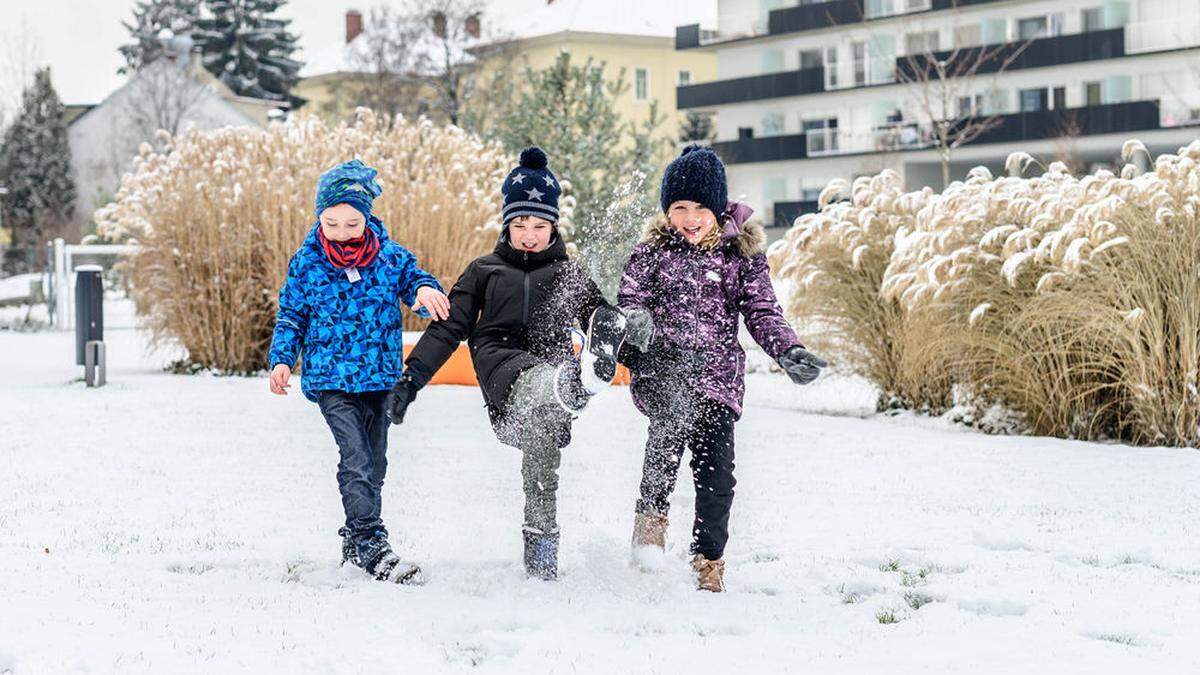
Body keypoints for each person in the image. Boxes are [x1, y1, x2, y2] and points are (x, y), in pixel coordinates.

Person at [386, 147, 653, 581]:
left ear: (553, 227)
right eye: (520, 224)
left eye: (539, 225)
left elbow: (600, 329)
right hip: (503, 373)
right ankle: (574, 385)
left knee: (543, 458)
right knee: (544, 381)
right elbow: (445, 331)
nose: (529, 234)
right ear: (507, 224)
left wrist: (639, 353)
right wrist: (409, 382)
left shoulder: (569, 275)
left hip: (551, 387)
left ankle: (542, 561)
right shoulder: (484, 271)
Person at [619, 145, 827, 592]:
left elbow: (762, 310)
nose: (689, 218)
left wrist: (788, 350)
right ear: (666, 210)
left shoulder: (740, 256)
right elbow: (630, 300)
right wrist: (634, 325)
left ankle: (708, 562)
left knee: (717, 480)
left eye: (699, 208)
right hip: (664, 373)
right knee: (663, 449)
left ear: (717, 209)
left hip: (716, 382)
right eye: (678, 207)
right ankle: (648, 543)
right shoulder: (650, 253)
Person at [267, 159, 451, 583]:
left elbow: (416, 284)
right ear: (320, 218)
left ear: (367, 218)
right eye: (331, 223)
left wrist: (425, 291)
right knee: (355, 459)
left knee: (376, 462)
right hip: (332, 380)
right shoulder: (307, 263)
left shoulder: (390, 259)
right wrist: (282, 359)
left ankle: (353, 539)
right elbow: (292, 315)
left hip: (379, 377)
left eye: (352, 223)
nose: (342, 233)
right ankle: (371, 543)